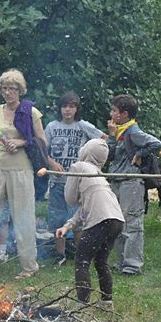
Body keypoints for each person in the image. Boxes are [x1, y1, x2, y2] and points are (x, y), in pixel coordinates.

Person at [0, 69, 48, 278]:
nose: (9, 92)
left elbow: (42, 142)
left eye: (13, 88)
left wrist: (21, 142)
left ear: (20, 90)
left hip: (21, 170)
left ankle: (29, 266)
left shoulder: (31, 112)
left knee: (23, 217)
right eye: (5, 88)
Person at [55, 139, 124, 306]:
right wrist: (67, 226)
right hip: (116, 220)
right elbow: (84, 208)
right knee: (101, 260)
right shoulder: (99, 175)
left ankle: (82, 305)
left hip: (100, 220)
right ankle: (107, 302)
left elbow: (70, 199)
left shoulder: (78, 167)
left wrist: (72, 181)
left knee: (82, 260)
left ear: (86, 151)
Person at [106, 94, 161, 276]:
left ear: (124, 114)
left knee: (131, 222)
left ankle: (132, 265)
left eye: (114, 110)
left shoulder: (133, 131)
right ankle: (121, 260)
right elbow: (111, 154)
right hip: (117, 179)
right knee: (117, 222)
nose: (111, 113)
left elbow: (156, 144)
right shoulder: (120, 131)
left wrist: (140, 154)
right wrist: (111, 136)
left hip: (131, 182)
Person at [44, 92, 105, 264]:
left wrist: (89, 163)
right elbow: (42, 149)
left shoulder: (83, 126)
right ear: (60, 108)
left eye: (71, 106)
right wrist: (52, 163)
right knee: (57, 217)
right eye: (64, 106)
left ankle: (80, 254)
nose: (67, 110)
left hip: (77, 181)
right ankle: (60, 254)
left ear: (77, 109)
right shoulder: (52, 127)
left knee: (78, 218)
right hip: (57, 181)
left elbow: (103, 140)